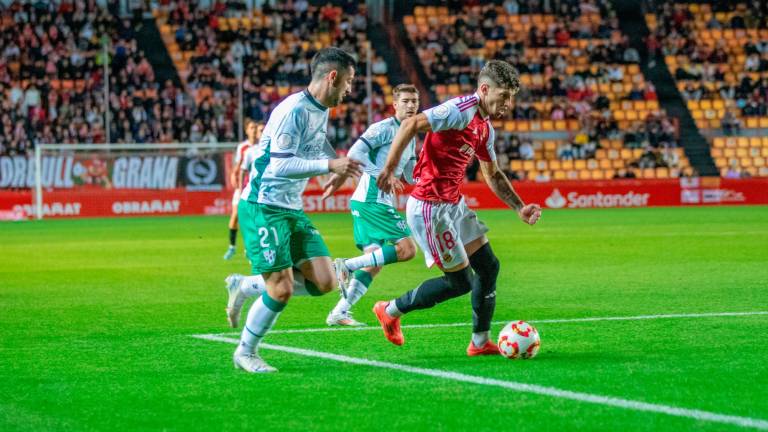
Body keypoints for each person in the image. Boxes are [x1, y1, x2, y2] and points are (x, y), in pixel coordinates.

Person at [373, 60, 542, 356]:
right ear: (485, 89)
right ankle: (390, 310)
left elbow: (492, 173)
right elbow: (411, 123)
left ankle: (479, 342)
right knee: (460, 282)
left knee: (489, 267)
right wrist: (389, 169)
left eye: (511, 98)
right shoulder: (459, 111)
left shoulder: (485, 128)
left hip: (454, 203)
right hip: (430, 207)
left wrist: (519, 207)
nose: (508, 104)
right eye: (504, 96)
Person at [229, 47, 363, 373]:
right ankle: (246, 351)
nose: (349, 90)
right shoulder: (293, 111)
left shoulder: (321, 109)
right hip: (264, 205)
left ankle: (245, 286)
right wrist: (328, 164)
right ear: (332, 77)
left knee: (325, 282)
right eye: (347, 82)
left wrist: (334, 169)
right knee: (283, 288)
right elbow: (281, 164)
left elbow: (316, 146)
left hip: (291, 206)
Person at [322, 84, 421, 326]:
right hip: (371, 198)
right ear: (395, 104)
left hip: (372, 199)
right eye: (405, 101)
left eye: (414, 102)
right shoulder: (384, 128)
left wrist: (426, 176)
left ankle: (339, 312)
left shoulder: (411, 134)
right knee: (407, 250)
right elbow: (356, 151)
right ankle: (346, 265)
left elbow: (410, 173)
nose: (411, 105)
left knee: (374, 264)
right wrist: (383, 175)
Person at [223, 119, 263, 260]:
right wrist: (235, 180)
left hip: (256, 189)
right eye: (251, 128)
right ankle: (232, 247)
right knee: (235, 216)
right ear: (247, 130)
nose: (253, 130)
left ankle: (250, 248)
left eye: (255, 128)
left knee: (253, 219)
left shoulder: (263, 147)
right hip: (242, 187)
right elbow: (238, 167)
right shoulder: (243, 147)